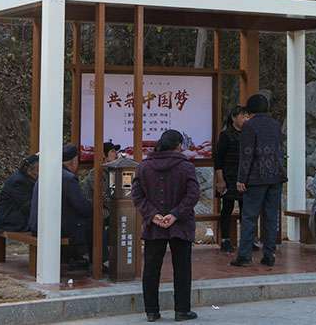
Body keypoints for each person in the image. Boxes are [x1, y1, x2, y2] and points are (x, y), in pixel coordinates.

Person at [132, 129, 200, 322]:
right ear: (178, 146)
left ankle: (152, 311)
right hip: (181, 224)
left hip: (154, 225)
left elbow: (137, 195)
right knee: (182, 268)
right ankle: (182, 310)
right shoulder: (186, 167)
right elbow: (193, 194)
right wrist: (175, 214)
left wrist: (153, 215)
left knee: (151, 269)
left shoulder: (144, 166)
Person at [231, 93, 285, 268]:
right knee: (271, 217)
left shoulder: (249, 126)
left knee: (249, 217)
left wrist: (241, 178)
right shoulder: (276, 125)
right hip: (276, 176)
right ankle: (269, 254)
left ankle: (244, 256)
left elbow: (246, 154)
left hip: (256, 177)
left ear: (250, 110)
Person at [28, 144, 92, 263]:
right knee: (94, 222)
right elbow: (82, 207)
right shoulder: (68, 178)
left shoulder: (48, 173)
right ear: (73, 161)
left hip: (37, 224)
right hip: (52, 227)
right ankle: (97, 261)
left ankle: (74, 256)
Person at [214, 106, 248, 252]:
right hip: (228, 176)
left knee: (246, 209)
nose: (245, 119)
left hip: (245, 177)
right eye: (242, 116)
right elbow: (218, 159)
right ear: (234, 118)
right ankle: (225, 239)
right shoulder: (225, 135)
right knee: (227, 208)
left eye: (247, 116)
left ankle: (247, 239)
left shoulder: (248, 134)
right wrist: (220, 180)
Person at [0, 154, 39, 233]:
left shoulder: (23, 177)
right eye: (37, 170)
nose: (39, 173)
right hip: (9, 222)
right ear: (29, 169)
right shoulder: (19, 182)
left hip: (14, 219)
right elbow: (28, 206)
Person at [81, 141, 121, 223]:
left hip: (108, 211)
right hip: (97, 213)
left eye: (116, 152)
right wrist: (119, 207)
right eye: (112, 151)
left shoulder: (112, 171)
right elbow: (102, 195)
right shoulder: (95, 172)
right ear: (103, 154)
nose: (116, 154)